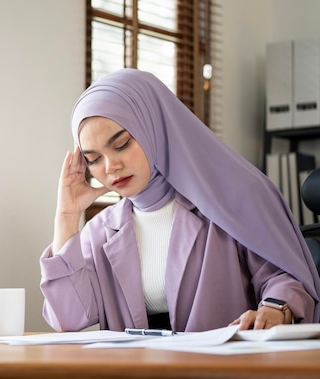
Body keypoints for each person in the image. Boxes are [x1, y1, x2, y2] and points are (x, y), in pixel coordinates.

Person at [40, 68, 320, 333]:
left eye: (122, 144)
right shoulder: (101, 231)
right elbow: (68, 317)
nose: (110, 166)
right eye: (94, 159)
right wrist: (66, 216)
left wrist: (274, 309)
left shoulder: (233, 199)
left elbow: (284, 278)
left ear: (155, 128)